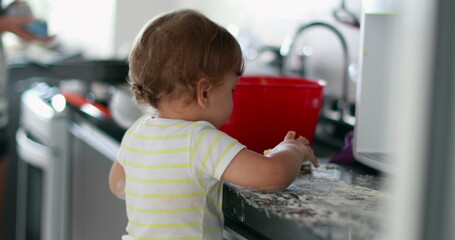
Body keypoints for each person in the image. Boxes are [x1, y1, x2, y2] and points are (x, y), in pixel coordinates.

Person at [109, 9, 318, 240]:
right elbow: (274, 174)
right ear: (204, 92)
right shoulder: (201, 140)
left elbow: (117, 185)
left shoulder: (137, 131)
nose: (233, 97)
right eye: (231, 89)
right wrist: (292, 151)